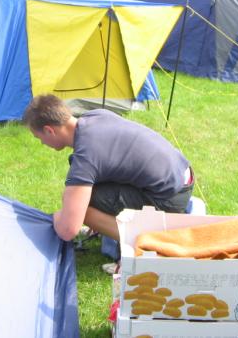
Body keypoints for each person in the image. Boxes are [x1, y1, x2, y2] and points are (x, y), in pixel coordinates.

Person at [22, 94, 194, 243]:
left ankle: (143, 241)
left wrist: (54, 219)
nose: (42, 143)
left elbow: (68, 231)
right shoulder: (96, 116)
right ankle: (108, 227)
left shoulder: (86, 156)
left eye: (39, 138)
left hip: (169, 197)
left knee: (81, 208)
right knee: (76, 198)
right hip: (182, 175)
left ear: (49, 131)